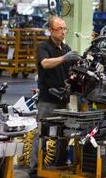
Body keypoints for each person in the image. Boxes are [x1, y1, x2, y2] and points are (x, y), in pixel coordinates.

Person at [29, 15, 80, 177]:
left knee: (65, 133)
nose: (63, 32)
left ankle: (60, 163)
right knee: (42, 133)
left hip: (64, 98)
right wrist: (64, 58)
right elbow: (45, 63)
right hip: (47, 100)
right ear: (50, 30)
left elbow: (73, 71)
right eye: (59, 29)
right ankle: (35, 168)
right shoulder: (43, 47)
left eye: (65, 29)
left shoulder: (65, 48)